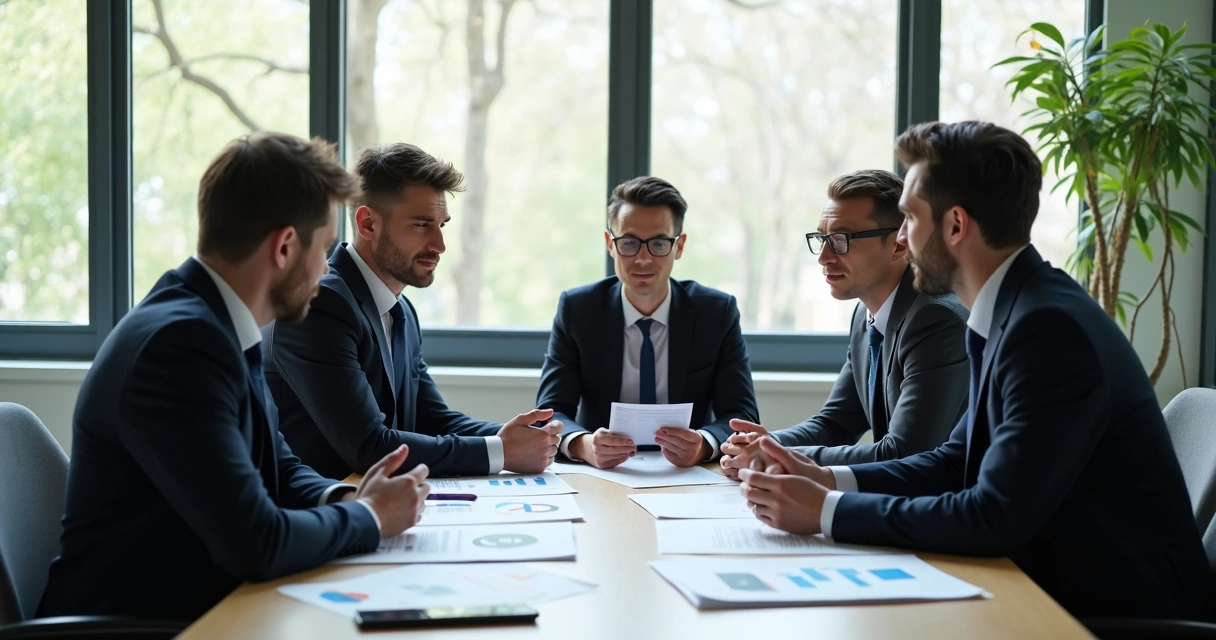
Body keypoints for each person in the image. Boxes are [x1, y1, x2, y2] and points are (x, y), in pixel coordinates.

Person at [736, 121, 1213, 620]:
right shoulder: (1014, 310)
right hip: (1049, 584)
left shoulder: (1047, 331)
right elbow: (952, 460)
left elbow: (992, 516)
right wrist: (828, 479)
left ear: (956, 225)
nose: (902, 237)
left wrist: (825, 512)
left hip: (1112, 612)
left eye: (909, 219)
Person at [38, 133, 430, 622]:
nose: (327, 269)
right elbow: (258, 543)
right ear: (285, 247)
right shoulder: (179, 346)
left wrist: (347, 496)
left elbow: (278, 467)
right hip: (149, 625)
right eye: (325, 249)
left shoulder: (214, 324)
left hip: (210, 606)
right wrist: (371, 517)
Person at [263, 143, 561, 479]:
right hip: (322, 513)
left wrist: (539, 440)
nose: (440, 245)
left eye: (441, 225)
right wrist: (502, 452)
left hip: (381, 504)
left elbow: (432, 418)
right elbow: (370, 446)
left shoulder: (401, 309)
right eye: (421, 225)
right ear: (368, 224)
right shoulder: (319, 305)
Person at [720, 170, 968, 477]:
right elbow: (837, 422)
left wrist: (778, 457)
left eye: (840, 240)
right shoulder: (866, 316)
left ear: (899, 245)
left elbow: (904, 452)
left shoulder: (936, 320)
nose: (824, 257)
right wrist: (766, 444)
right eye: (822, 238)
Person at [536, 176, 759, 469]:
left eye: (658, 243)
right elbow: (549, 412)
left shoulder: (716, 312)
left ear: (679, 246)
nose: (643, 259)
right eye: (629, 242)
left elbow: (742, 414)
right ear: (610, 244)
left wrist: (704, 445)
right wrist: (585, 445)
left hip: (688, 474)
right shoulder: (579, 310)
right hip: (604, 473)